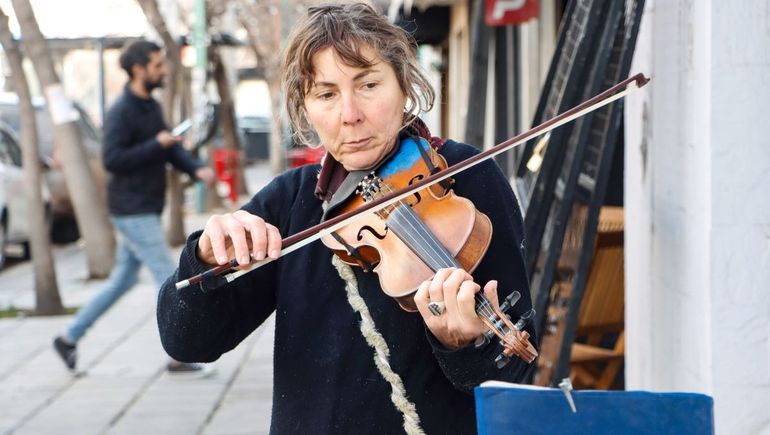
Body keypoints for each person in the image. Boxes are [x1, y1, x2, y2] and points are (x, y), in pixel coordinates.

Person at [158, 3, 537, 433]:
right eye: (326, 94)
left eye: (369, 84)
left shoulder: (463, 178)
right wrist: (205, 260)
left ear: (403, 84)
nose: (350, 114)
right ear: (306, 107)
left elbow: (514, 378)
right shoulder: (290, 204)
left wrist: (463, 346)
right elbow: (187, 341)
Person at [53, 40, 215, 375]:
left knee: (122, 282)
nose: (163, 70)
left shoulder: (150, 107)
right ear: (138, 69)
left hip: (145, 206)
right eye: (157, 64)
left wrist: (195, 167)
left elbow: (168, 149)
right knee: (170, 279)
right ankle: (180, 355)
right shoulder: (121, 111)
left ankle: (69, 338)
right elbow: (113, 160)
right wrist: (154, 144)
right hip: (131, 209)